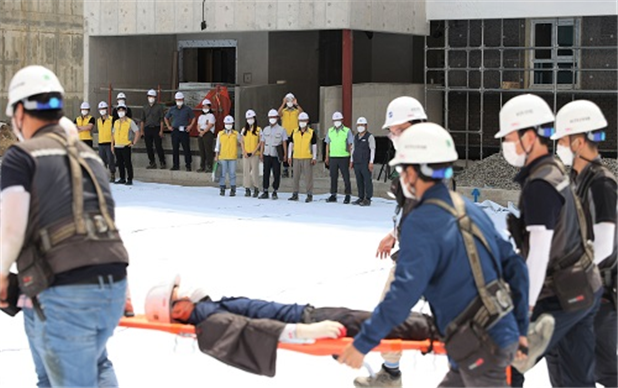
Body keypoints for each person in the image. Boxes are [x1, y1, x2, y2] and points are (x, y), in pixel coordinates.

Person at [338, 123, 532, 388]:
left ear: (417, 172)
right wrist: (521, 330)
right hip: (493, 337)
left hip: (480, 351)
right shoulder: (468, 208)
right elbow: (516, 268)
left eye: (403, 170)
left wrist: (362, 344)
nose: (402, 178)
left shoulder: (421, 221)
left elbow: (402, 294)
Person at [0, 65, 129, 387]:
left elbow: (10, 226)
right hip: (110, 283)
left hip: (65, 289)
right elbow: (105, 221)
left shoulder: (21, 156)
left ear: (19, 111)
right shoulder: (91, 157)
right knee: (93, 367)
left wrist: (1, 275)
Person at [495, 94, 603, 387]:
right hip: (583, 288)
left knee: (507, 363)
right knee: (575, 378)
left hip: (561, 295)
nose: (505, 144)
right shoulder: (553, 168)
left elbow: (540, 251)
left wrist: (524, 307)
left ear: (529, 137)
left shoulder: (540, 185)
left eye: (508, 137)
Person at [144, 275, 436, 377]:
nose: (182, 292)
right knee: (375, 321)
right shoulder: (210, 319)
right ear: (177, 311)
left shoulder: (206, 308)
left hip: (305, 314)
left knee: (369, 319)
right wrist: (310, 333)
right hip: (306, 321)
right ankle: (437, 328)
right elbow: (254, 329)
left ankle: (433, 326)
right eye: (176, 295)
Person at [353, 96, 429, 388]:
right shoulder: (411, 158)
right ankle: (390, 372)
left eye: (398, 129)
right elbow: (409, 206)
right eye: (392, 130)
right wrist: (395, 234)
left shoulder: (425, 159)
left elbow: (431, 207)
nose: (392, 135)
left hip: (425, 254)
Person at [551, 100, 617, 388]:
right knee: (566, 360)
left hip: (597, 292)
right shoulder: (577, 179)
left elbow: (604, 245)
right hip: (581, 289)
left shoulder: (602, 184)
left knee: (603, 370)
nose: (559, 147)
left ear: (578, 142)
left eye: (563, 141)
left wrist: (570, 275)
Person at [288, 111, 317, 203]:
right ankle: (295, 193)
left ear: (307, 121)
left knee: (308, 177)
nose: (302, 122)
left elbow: (314, 145)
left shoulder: (311, 133)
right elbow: (291, 144)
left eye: (304, 120)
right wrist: (290, 156)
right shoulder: (294, 131)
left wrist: (314, 157)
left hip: (307, 157)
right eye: (300, 120)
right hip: (296, 157)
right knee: (295, 176)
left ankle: (309, 194)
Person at [258, 109, 288, 200]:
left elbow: (284, 142)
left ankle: (275, 190)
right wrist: (261, 153)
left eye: (273, 117)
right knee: (266, 172)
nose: (272, 119)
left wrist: (285, 154)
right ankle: (265, 190)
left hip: (276, 155)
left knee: (276, 173)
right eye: (270, 117)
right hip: (267, 153)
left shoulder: (282, 130)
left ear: (277, 118)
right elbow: (262, 141)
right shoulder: (266, 129)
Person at [325, 111, 353, 204]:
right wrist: (327, 156)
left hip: (344, 156)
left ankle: (348, 195)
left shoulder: (347, 131)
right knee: (333, 176)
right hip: (333, 156)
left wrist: (351, 158)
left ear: (342, 120)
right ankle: (333, 194)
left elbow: (350, 144)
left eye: (338, 120)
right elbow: (328, 144)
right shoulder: (330, 131)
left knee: (346, 176)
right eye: (335, 120)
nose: (337, 121)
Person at [164, 92, 195, 171]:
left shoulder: (187, 109)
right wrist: (168, 126)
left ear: (183, 100)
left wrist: (190, 126)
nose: (179, 101)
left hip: (184, 130)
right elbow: (166, 118)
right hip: (175, 130)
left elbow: (193, 118)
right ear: (175, 100)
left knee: (186, 148)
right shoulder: (172, 109)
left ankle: (188, 165)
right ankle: (175, 165)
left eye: (180, 99)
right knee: (175, 148)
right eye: (178, 100)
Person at [112, 103, 141, 185]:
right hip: (117, 145)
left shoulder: (130, 121)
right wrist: (112, 145)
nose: (121, 112)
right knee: (120, 163)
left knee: (127, 163)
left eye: (122, 110)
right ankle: (122, 178)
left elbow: (137, 132)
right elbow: (113, 134)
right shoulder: (116, 122)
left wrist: (133, 142)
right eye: (119, 110)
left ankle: (130, 179)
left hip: (125, 145)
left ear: (125, 111)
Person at [351, 117, 375, 206]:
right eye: (358, 125)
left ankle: (368, 198)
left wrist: (371, 162)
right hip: (357, 161)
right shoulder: (356, 137)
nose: (360, 127)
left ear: (366, 126)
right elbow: (353, 149)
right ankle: (360, 197)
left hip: (365, 162)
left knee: (367, 180)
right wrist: (351, 160)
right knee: (359, 180)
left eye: (362, 125)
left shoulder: (369, 136)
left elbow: (372, 149)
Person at [278, 92, 303, 178]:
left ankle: (293, 169)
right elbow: (278, 114)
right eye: (288, 100)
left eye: (290, 100)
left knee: (293, 152)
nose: (289, 102)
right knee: (285, 152)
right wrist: (283, 103)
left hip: (294, 134)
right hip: (285, 134)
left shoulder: (296, 111)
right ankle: (285, 169)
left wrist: (297, 104)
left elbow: (302, 113)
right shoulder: (284, 111)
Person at [215, 115, 241, 197]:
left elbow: (242, 143)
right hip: (223, 156)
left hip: (232, 157)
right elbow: (217, 145)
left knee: (232, 174)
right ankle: (222, 188)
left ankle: (233, 188)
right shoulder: (220, 134)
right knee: (222, 174)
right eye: (227, 123)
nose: (228, 125)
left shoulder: (236, 134)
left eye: (230, 123)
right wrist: (216, 155)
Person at [140, 89, 166, 169]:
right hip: (147, 128)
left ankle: (162, 162)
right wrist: (142, 130)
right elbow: (142, 120)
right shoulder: (145, 107)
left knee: (158, 146)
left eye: (153, 97)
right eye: (150, 96)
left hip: (156, 128)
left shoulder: (159, 107)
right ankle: (152, 162)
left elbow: (162, 119)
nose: (151, 98)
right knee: (148, 147)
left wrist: (161, 130)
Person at [241, 109, 261, 198]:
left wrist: (255, 151)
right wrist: (244, 151)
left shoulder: (258, 129)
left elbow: (260, 142)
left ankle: (256, 188)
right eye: (248, 118)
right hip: (246, 154)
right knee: (246, 172)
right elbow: (242, 141)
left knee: (255, 172)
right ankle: (247, 188)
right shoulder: (244, 130)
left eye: (251, 118)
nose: (249, 120)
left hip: (254, 154)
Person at [96, 101, 116, 182]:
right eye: (100, 109)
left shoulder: (111, 119)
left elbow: (113, 132)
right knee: (102, 160)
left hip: (109, 142)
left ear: (107, 109)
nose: (102, 110)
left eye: (104, 108)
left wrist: (113, 143)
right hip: (101, 143)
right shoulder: (98, 120)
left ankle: (112, 174)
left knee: (110, 160)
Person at [197, 98, 216, 173]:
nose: (205, 108)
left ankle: (209, 166)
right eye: (204, 106)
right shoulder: (201, 116)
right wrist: (199, 131)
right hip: (201, 133)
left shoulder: (211, 116)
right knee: (202, 150)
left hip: (208, 133)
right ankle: (202, 166)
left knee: (208, 150)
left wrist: (204, 131)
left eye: (206, 106)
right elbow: (198, 125)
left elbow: (210, 125)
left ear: (209, 107)